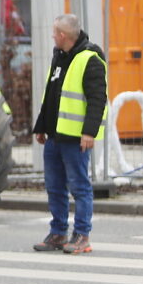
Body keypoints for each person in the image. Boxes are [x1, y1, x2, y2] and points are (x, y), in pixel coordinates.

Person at [32, 13, 107, 255]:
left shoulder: (91, 59)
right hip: (55, 136)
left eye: (54, 33)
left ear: (63, 35)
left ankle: (82, 234)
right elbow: (51, 94)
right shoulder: (59, 56)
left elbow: (98, 100)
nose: (52, 36)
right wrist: (41, 126)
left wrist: (89, 132)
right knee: (54, 187)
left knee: (79, 187)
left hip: (75, 138)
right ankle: (58, 233)